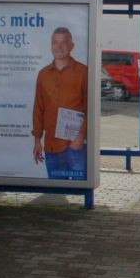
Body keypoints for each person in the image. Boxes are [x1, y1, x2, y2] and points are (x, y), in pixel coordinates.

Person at [32, 27, 88, 180]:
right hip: (51, 146)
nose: (59, 46)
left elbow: (90, 107)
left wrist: (80, 138)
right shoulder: (43, 75)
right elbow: (38, 108)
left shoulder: (83, 72)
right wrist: (37, 140)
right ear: (51, 45)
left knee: (79, 190)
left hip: (74, 147)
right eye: (55, 42)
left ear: (72, 46)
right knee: (57, 193)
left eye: (64, 42)